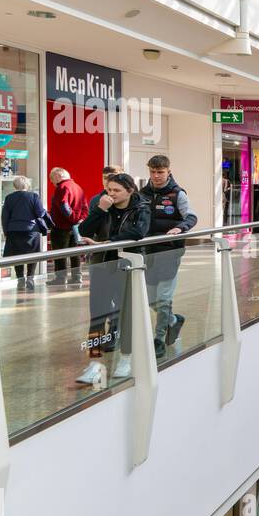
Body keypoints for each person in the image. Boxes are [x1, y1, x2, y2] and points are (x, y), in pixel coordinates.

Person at [76, 173, 151, 385]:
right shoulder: (102, 204)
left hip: (128, 266)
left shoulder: (141, 206)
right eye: (109, 189)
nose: (111, 194)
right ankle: (94, 361)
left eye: (117, 190)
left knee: (126, 313)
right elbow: (84, 230)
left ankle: (127, 357)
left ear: (130, 191)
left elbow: (139, 231)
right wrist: (100, 210)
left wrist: (107, 242)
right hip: (102, 265)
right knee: (98, 313)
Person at [137, 155, 198, 360]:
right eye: (153, 172)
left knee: (163, 299)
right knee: (151, 300)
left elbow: (191, 216)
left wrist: (179, 228)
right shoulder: (141, 194)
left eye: (160, 172)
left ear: (168, 171)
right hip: (147, 252)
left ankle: (159, 339)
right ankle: (173, 320)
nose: (156, 176)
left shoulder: (177, 194)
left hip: (170, 252)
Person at [0, 176, 49, 290]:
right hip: (31, 231)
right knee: (32, 254)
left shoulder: (9, 198)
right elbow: (40, 213)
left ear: (15, 185)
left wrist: (6, 231)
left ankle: (20, 279)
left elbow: (5, 217)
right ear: (27, 185)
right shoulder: (33, 196)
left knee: (17, 255)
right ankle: (30, 278)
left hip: (14, 230)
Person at [46, 167, 88, 286]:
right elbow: (85, 206)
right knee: (75, 253)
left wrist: (72, 217)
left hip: (61, 227)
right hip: (75, 227)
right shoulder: (77, 187)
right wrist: (80, 219)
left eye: (52, 179)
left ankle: (60, 278)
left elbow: (64, 205)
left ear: (58, 176)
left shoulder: (62, 187)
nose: (52, 182)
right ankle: (77, 277)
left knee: (60, 254)